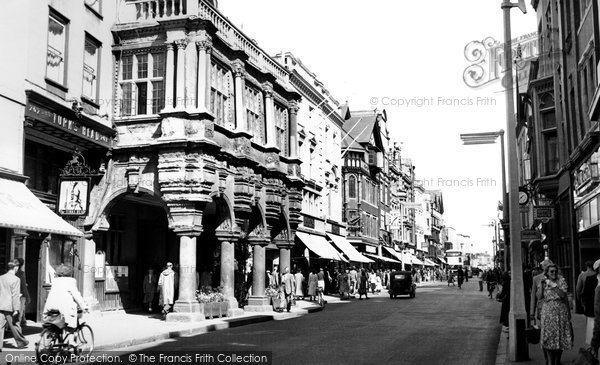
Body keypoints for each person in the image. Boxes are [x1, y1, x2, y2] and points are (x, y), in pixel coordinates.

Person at [537, 263, 572, 365]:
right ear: (547, 273)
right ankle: (550, 360)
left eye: (555, 271)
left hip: (561, 312)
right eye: (551, 271)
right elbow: (539, 297)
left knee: (560, 336)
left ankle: (557, 361)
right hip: (547, 313)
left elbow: (562, 295)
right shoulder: (543, 282)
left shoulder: (561, 281)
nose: (554, 273)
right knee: (548, 337)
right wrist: (543, 286)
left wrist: (553, 285)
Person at [0, 260, 28, 349]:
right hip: (10, 306)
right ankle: (21, 342)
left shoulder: (1, 277)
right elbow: (15, 295)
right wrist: (16, 309)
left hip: (1, 304)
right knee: (15, 324)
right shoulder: (16, 279)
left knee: (0, 326)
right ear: (16, 267)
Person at [576, 260, 597, 346]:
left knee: (589, 322)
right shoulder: (595, 275)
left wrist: (580, 300)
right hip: (593, 299)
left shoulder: (582, 275)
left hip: (587, 301)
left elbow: (578, 289)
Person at [531, 259, 553, 327]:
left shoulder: (556, 277)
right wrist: (532, 313)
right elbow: (533, 296)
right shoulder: (537, 278)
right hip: (542, 309)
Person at [15, 258, 30, 327]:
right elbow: (23, 286)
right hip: (20, 295)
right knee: (19, 313)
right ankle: (17, 328)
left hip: (11, 294)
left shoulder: (9, 273)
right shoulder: (21, 273)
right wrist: (27, 297)